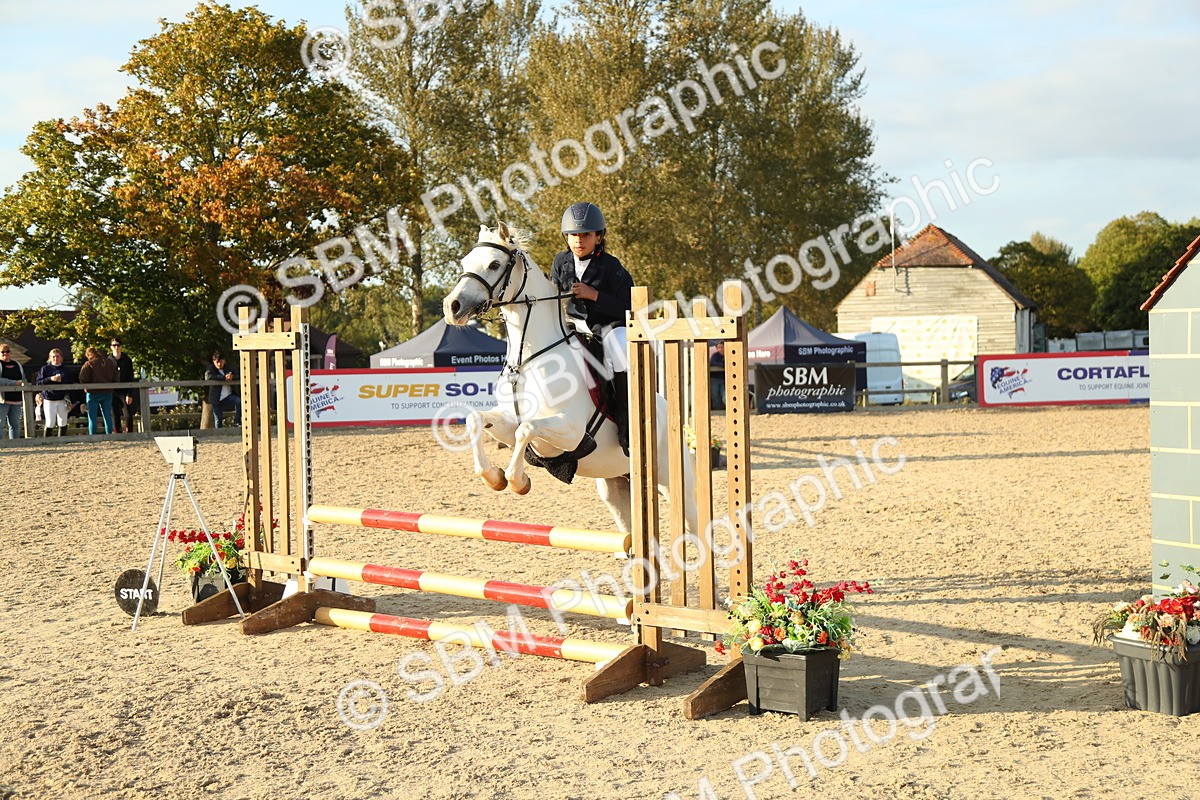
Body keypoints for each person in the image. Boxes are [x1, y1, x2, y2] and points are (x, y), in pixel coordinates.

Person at [549, 201, 634, 453]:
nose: (579, 240)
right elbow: (554, 293)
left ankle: (626, 422)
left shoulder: (611, 266)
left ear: (598, 237)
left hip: (609, 327)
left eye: (586, 234)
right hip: (574, 324)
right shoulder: (560, 261)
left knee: (618, 352)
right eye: (574, 235)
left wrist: (595, 295)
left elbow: (629, 305)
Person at [35, 348, 75, 437]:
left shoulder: (66, 370)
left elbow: (71, 385)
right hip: (49, 399)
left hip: (62, 399)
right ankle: (47, 441)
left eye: (57, 356)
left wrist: (73, 401)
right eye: (53, 357)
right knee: (50, 422)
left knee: (63, 421)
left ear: (61, 358)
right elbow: (38, 382)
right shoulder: (45, 369)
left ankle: (62, 441)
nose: (55, 359)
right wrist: (50, 379)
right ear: (50, 358)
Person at [78, 346, 117, 435]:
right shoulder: (109, 363)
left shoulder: (89, 364)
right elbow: (115, 377)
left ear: (89, 354)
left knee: (92, 417)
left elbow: (83, 378)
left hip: (92, 393)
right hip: (107, 392)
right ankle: (109, 435)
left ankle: (93, 436)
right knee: (107, 416)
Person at [108, 338, 139, 433]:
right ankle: (117, 433)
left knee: (128, 414)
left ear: (121, 347)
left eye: (118, 345)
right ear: (111, 347)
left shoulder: (127, 360)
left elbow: (131, 377)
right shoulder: (108, 360)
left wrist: (129, 394)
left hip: (125, 391)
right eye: (114, 345)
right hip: (112, 391)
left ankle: (129, 433)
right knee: (114, 414)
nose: (116, 347)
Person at [206, 351, 241, 428]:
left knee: (239, 401)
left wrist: (232, 377)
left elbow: (239, 375)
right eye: (217, 362)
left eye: (221, 362)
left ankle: (236, 422)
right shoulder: (211, 369)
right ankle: (219, 435)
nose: (219, 364)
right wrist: (224, 378)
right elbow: (208, 377)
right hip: (216, 399)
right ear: (213, 362)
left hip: (228, 396)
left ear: (224, 361)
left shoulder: (229, 368)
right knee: (218, 419)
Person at [0, 345, 27, 439]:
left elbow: (23, 379)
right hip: (2, 400)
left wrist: (23, 384)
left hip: (16, 400)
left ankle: (15, 443)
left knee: (15, 424)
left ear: (10, 353)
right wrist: (14, 383)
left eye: (7, 351)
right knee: (0, 424)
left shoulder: (17, 364)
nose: (5, 354)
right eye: (2, 352)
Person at [710, 341, 726, 411]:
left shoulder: (729, 355)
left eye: (722, 347)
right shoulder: (715, 355)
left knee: (724, 396)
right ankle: (717, 411)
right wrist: (722, 365)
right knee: (715, 396)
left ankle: (725, 410)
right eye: (718, 348)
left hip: (724, 379)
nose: (720, 349)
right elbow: (712, 363)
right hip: (715, 379)